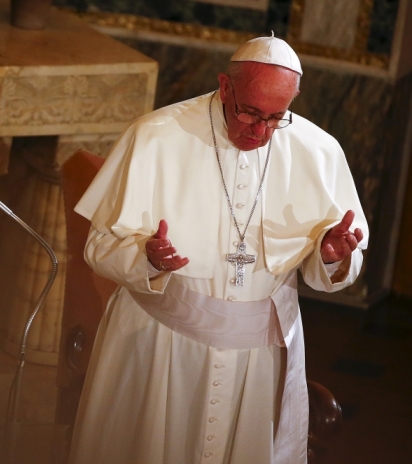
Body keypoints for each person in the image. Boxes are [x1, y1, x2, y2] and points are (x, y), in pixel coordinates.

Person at [68, 34, 368, 464]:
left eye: (275, 117)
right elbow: (98, 248)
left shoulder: (319, 152)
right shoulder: (155, 136)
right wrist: (145, 259)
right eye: (248, 112)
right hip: (160, 347)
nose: (260, 131)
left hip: (258, 360)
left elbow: (337, 269)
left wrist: (331, 255)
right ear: (225, 86)